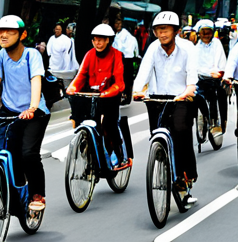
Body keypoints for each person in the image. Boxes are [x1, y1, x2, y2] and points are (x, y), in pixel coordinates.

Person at [0, 15, 51, 212]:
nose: (3, 35)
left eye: (10, 31)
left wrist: (32, 108)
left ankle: (36, 193)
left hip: (35, 111)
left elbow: (35, 81)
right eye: (0, 31)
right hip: (10, 110)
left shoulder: (32, 55)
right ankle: (14, 198)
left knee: (28, 154)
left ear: (22, 34)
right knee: (2, 153)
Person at [132, 11, 198, 206]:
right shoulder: (153, 48)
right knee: (157, 137)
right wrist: (137, 91)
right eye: (159, 30)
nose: (162, 34)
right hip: (157, 99)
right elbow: (143, 73)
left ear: (176, 31)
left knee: (181, 131)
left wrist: (189, 90)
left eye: (166, 30)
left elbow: (192, 76)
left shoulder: (188, 49)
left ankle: (185, 178)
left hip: (181, 98)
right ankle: (161, 164)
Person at [66, 24, 128, 167]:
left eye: (101, 40)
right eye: (95, 40)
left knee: (109, 124)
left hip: (110, 95)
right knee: (83, 119)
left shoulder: (117, 55)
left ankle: (118, 155)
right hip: (93, 94)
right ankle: (89, 153)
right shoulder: (89, 54)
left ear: (108, 40)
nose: (98, 43)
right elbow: (81, 76)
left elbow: (119, 83)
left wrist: (106, 93)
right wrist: (72, 88)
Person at [193, 19, 228, 134]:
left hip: (215, 78)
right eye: (203, 32)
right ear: (199, 34)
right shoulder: (196, 47)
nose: (206, 35)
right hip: (200, 78)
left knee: (220, 94)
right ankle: (203, 117)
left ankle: (221, 122)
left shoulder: (217, 44)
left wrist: (219, 72)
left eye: (208, 32)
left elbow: (221, 60)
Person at [112, 16, 140, 105]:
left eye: (118, 23)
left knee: (124, 79)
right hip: (129, 59)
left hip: (124, 59)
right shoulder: (129, 36)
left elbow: (118, 48)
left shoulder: (122, 36)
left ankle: (124, 96)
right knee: (128, 80)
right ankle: (126, 97)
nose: (117, 25)